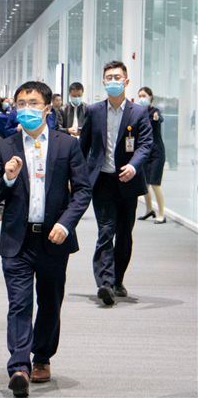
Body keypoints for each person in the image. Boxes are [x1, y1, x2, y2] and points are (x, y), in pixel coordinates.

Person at [0, 81, 92, 398]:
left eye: (33, 103)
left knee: (49, 302)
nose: (26, 109)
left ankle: (42, 357)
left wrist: (66, 224)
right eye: (21, 103)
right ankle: (19, 366)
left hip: (53, 239)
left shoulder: (66, 145)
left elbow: (82, 191)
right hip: (17, 239)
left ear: (47, 108)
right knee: (19, 303)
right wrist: (7, 177)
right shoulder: (5, 146)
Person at [80, 61, 153, 305]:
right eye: (109, 77)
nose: (113, 81)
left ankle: (118, 279)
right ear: (103, 82)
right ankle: (105, 283)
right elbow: (83, 146)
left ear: (126, 81)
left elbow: (145, 144)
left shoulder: (138, 112)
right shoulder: (93, 111)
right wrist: (76, 176)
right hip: (102, 181)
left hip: (128, 181)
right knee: (105, 231)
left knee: (124, 234)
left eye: (117, 77)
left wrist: (133, 166)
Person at [137, 87, 166, 224]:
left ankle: (161, 214)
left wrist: (157, 118)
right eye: (140, 96)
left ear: (150, 97)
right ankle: (149, 210)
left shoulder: (155, 111)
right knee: (145, 184)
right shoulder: (138, 112)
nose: (141, 98)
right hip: (145, 152)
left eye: (144, 95)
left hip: (156, 152)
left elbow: (160, 118)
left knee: (155, 183)